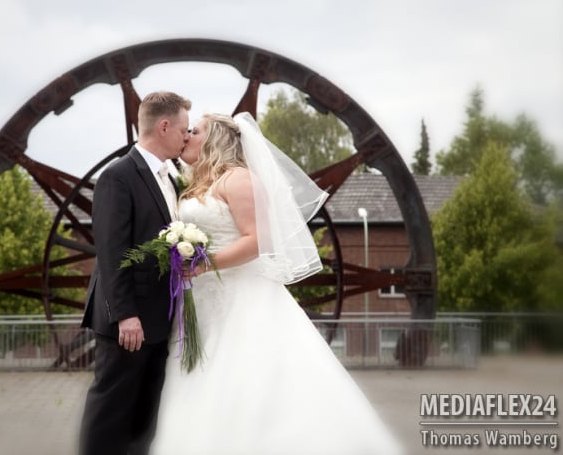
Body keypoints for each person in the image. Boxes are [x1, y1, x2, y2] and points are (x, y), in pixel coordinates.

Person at [150, 112, 404, 455]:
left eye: (195, 131)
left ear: (215, 140)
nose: (187, 136)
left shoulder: (239, 179)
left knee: (244, 377)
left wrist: (205, 263)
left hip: (241, 297)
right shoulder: (197, 185)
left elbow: (257, 240)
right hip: (203, 301)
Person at [79, 91, 192, 455]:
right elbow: (111, 252)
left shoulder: (170, 177)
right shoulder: (118, 176)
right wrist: (126, 315)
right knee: (111, 410)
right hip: (129, 321)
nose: (186, 137)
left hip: (160, 318)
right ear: (163, 127)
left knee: (145, 415)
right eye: (183, 130)